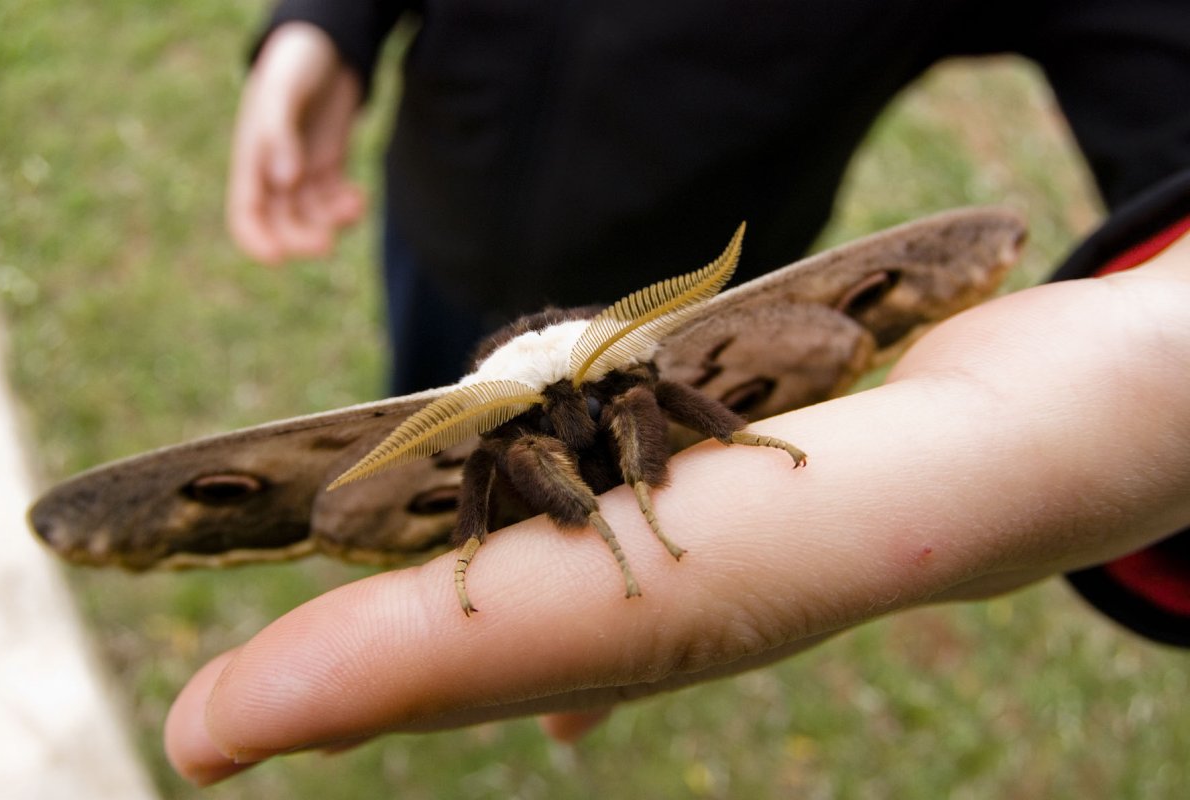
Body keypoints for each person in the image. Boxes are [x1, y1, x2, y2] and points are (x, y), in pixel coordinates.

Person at [169, 0, 1190, 786]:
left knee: (637, 408)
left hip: (658, 323)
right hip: (449, 242)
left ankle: (650, 500)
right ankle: (460, 543)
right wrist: (330, 21)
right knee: (472, 445)